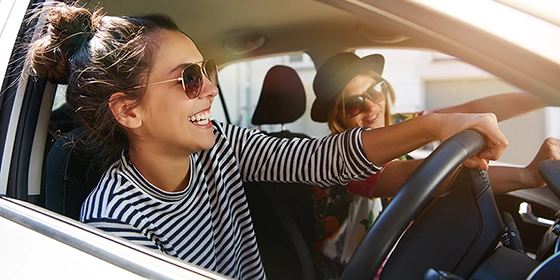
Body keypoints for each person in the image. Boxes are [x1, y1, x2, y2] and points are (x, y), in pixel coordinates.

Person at [27, 3, 509, 279]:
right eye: (189, 78)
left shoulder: (222, 145)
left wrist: (436, 126)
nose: (211, 88)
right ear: (129, 110)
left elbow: (321, 159)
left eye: (209, 71)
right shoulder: (116, 222)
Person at [308, 52, 560, 278]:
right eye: (354, 104)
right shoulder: (339, 158)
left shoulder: (397, 123)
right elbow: (424, 176)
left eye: (375, 91)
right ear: (338, 116)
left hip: (399, 251)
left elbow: (470, 112)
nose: (372, 107)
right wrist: (526, 174)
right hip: (358, 270)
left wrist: (543, 94)